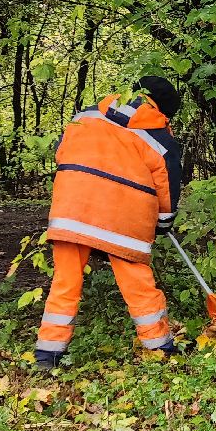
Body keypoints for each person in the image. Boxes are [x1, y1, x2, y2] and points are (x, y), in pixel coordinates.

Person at [33, 76, 184, 369]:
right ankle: (160, 348)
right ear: (163, 110)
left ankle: (47, 355)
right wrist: (164, 222)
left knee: (65, 281)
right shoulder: (158, 136)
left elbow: (61, 153)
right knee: (137, 282)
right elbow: (167, 184)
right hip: (123, 218)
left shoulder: (87, 115)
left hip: (71, 210)